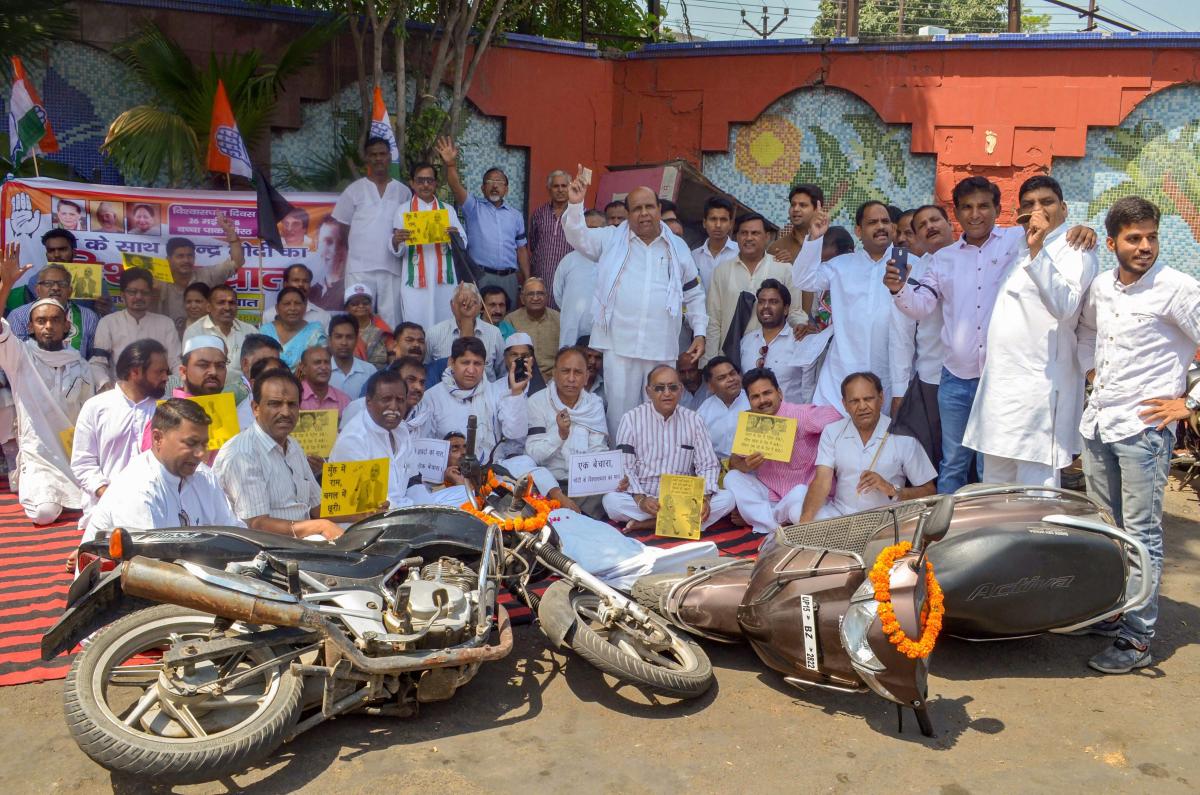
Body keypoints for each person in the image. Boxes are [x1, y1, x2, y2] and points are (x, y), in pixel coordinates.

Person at [887, 176, 1095, 492]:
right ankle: (953, 530)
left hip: (1001, 380)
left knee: (992, 465)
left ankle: (994, 528)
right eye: (967, 208)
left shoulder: (1018, 241)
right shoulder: (944, 259)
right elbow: (921, 305)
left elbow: (1051, 231)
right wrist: (899, 288)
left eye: (984, 206)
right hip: (957, 378)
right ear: (956, 213)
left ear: (999, 210)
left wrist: (1081, 230)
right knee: (953, 462)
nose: (975, 214)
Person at [1073, 196, 1200, 674]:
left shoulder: (1178, 289)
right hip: (1101, 422)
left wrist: (1188, 404)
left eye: (1151, 237)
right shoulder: (1103, 287)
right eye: (1134, 238)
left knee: (1141, 533)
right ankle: (1110, 614)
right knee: (1106, 527)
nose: (1145, 246)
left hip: (1144, 430)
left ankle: (1138, 636)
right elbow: (1086, 332)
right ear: (1113, 243)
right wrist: (1089, 371)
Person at [965, 175, 1098, 487]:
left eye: (1046, 202)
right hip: (1001, 391)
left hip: (1039, 392)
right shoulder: (1020, 245)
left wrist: (1041, 248)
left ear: (1064, 209)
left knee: (1035, 492)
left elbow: (1065, 307)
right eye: (1029, 205)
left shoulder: (1076, 249)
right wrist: (1035, 245)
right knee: (994, 488)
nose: (1037, 209)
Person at [562, 174, 708, 437]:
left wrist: (700, 332)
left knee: (659, 412)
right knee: (621, 414)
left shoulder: (678, 247)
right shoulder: (609, 239)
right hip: (620, 346)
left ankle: (654, 468)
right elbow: (577, 236)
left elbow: (693, 291)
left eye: (649, 207)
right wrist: (575, 205)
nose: (644, 214)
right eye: (637, 208)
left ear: (659, 210)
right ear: (627, 214)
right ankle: (621, 471)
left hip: (661, 345)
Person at [0, 246, 99, 523]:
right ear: (30, 327)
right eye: (41, 321)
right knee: (45, 513)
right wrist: (6, 285)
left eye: (55, 320)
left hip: (72, 456)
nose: (48, 326)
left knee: (94, 505)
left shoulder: (80, 363)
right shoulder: (20, 356)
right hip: (39, 455)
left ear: (66, 326)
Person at [85, 399, 243, 543]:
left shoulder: (204, 476)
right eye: (191, 443)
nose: (201, 453)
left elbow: (234, 532)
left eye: (204, 444)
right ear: (157, 438)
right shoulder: (137, 489)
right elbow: (148, 564)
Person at [213, 368, 345, 540]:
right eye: (275, 404)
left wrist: (364, 515)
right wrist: (320, 526)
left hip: (302, 546)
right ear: (255, 408)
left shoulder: (293, 446)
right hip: (264, 553)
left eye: (292, 404)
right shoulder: (243, 453)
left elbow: (317, 507)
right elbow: (257, 524)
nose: (285, 412)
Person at [791, 199, 897, 411]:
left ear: (893, 228)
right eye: (872, 222)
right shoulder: (841, 265)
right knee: (832, 435)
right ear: (859, 230)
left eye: (885, 221)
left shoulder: (911, 264)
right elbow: (803, 280)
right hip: (842, 370)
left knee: (881, 439)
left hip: (890, 373)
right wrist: (814, 238)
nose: (880, 226)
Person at [603, 365, 734, 531]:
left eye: (672, 387)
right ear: (648, 391)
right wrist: (640, 499)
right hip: (645, 495)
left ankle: (648, 524)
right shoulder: (631, 419)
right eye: (659, 388)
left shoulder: (694, 420)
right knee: (611, 502)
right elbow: (625, 465)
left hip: (683, 497)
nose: (666, 393)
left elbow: (707, 464)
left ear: (681, 390)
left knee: (728, 499)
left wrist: (705, 499)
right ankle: (680, 521)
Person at [798, 372, 936, 522]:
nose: (862, 406)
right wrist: (804, 522)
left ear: (881, 398)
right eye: (854, 401)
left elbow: (929, 491)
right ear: (845, 405)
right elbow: (821, 482)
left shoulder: (903, 437)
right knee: (798, 503)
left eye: (868, 399)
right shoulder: (832, 432)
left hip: (886, 522)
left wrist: (890, 489)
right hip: (841, 518)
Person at [724, 368, 843, 534]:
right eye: (755, 397)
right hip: (772, 496)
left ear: (779, 393)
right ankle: (777, 527)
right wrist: (745, 465)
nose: (762, 400)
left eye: (767, 393)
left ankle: (764, 521)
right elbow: (733, 463)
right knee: (732, 478)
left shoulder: (802, 415)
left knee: (800, 492)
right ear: (749, 401)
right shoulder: (751, 422)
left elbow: (839, 416)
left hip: (802, 497)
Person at [72, 339, 171, 529]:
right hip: (105, 506)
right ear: (135, 372)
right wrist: (107, 493)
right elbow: (82, 463)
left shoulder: (166, 409)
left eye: (167, 371)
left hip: (157, 505)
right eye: (160, 372)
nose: (166, 377)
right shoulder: (96, 407)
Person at [888, 204, 953, 470]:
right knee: (938, 455)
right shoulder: (913, 274)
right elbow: (902, 338)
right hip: (933, 379)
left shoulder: (977, 260)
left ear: (951, 222)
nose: (930, 228)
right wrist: (899, 391)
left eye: (935, 220)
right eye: (921, 227)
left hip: (979, 377)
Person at [436, 136, 529, 306]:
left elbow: (521, 250)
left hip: (509, 278)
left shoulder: (515, 215)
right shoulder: (473, 207)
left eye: (499, 182)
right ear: (482, 188)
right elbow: (456, 187)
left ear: (506, 189)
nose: (495, 186)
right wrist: (450, 165)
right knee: (478, 318)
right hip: (480, 276)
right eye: (490, 182)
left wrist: (528, 279)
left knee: (507, 321)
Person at [330, 137, 414, 326]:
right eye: (373, 155)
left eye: (382, 154)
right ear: (366, 158)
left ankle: (391, 356)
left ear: (390, 157)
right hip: (359, 267)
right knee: (356, 319)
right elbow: (343, 228)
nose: (378, 159)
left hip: (392, 266)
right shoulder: (354, 190)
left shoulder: (403, 192)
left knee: (391, 321)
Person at [704, 213, 804, 364]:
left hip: (774, 356)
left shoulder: (784, 269)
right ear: (736, 237)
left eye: (755, 233)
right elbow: (713, 320)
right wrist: (710, 362)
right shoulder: (721, 271)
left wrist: (801, 327)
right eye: (744, 233)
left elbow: (794, 312)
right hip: (730, 360)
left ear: (767, 237)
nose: (749, 238)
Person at [525, 346, 609, 514]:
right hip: (550, 483)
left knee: (609, 496)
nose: (571, 378)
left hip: (585, 486)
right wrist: (560, 435)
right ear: (555, 374)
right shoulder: (537, 401)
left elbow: (598, 451)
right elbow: (533, 454)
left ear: (586, 377)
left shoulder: (594, 404)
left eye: (577, 373)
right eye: (565, 371)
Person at [330, 369, 426, 510]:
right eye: (386, 399)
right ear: (369, 401)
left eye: (400, 400)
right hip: (367, 521)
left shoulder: (402, 430)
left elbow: (413, 479)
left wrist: (429, 510)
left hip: (404, 509)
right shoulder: (353, 439)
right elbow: (369, 502)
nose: (394, 407)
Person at [390, 162, 467, 329]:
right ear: (411, 183)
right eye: (420, 180)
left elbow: (463, 242)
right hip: (415, 282)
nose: (425, 185)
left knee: (445, 322)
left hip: (444, 279)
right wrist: (396, 241)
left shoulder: (447, 211)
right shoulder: (403, 211)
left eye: (429, 180)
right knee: (416, 323)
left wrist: (455, 234)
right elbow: (397, 248)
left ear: (436, 183)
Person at [739, 279, 827, 403]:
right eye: (761, 302)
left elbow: (809, 392)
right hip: (753, 420)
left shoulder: (800, 340)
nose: (765, 307)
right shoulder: (746, 341)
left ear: (786, 309)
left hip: (791, 419)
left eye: (773, 302)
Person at [149, 214, 244, 327]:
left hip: (203, 337)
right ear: (168, 260)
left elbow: (237, 262)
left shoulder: (207, 275)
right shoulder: (158, 281)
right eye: (180, 256)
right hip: (167, 338)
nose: (186, 260)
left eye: (190, 256)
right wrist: (154, 291)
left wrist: (232, 236)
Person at [9, 252, 99, 363]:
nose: (56, 288)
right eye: (48, 283)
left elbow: (92, 361)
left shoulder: (89, 317)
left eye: (62, 284)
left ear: (70, 291)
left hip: (75, 377)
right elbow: (12, 357)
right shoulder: (19, 316)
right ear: (37, 290)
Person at [92, 267, 178, 382]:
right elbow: (98, 362)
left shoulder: (166, 323)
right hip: (119, 391)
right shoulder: (108, 322)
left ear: (151, 295)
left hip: (158, 392)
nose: (138, 297)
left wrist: (176, 386)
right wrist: (104, 384)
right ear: (122, 294)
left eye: (144, 292)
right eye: (132, 292)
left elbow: (176, 362)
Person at [184, 283, 257, 390]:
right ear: (208, 307)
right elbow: (189, 369)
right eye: (221, 303)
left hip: (245, 393)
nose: (227, 307)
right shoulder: (194, 331)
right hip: (206, 392)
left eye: (231, 303)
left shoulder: (250, 331)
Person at [428, 282, 506, 379]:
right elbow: (426, 371)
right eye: (462, 303)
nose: (466, 308)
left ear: (480, 306)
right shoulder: (434, 333)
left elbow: (503, 373)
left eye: (472, 303)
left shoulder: (494, 333)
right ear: (452, 305)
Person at [553, 209, 604, 349]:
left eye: (596, 229)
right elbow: (558, 294)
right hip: (572, 327)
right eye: (587, 228)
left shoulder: (613, 260)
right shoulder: (569, 260)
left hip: (603, 330)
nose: (591, 233)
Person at [528, 170, 574, 299]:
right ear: (549, 189)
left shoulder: (580, 214)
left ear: (570, 188)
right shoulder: (539, 213)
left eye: (564, 186)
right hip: (543, 276)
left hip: (570, 277)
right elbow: (534, 243)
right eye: (556, 186)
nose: (560, 190)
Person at [695, 356, 749, 460]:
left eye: (733, 373)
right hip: (715, 468)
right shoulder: (703, 411)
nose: (731, 379)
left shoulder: (753, 401)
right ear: (711, 386)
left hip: (751, 468)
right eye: (722, 378)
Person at [258, 286, 327, 368]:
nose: (292, 308)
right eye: (287, 304)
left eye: (297, 303)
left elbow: (322, 364)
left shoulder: (315, 332)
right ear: (277, 308)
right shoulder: (265, 331)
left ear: (305, 307)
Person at [506, 277, 560, 381]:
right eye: (531, 294)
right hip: (521, 377)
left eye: (540, 294)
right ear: (522, 298)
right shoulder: (511, 320)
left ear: (547, 297)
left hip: (554, 379)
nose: (535, 298)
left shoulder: (559, 320)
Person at [767, 183, 824, 266]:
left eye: (803, 205)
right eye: (793, 205)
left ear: (817, 209)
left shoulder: (830, 243)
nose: (796, 209)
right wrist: (782, 268)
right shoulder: (778, 247)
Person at [262, 264, 332, 328]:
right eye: (296, 280)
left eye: (305, 281)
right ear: (285, 284)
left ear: (310, 285)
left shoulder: (323, 317)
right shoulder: (269, 315)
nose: (301, 284)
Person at [692, 195, 738, 291]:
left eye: (723, 220)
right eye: (713, 219)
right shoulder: (694, 256)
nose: (718, 225)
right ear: (704, 223)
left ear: (731, 224)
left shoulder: (740, 253)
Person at [343, 282, 393, 369]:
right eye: (355, 304)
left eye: (365, 303)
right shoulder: (341, 330)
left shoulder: (382, 329)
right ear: (347, 308)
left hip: (380, 378)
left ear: (371, 306)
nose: (361, 306)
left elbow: (393, 360)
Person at [328, 313, 374, 398]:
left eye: (349, 337)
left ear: (356, 340)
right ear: (329, 340)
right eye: (338, 337)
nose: (344, 343)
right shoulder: (321, 371)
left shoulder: (369, 371)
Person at [308, 216, 349, 311]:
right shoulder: (312, 291)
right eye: (320, 243)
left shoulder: (351, 289)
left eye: (329, 242)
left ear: (344, 248)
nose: (323, 251)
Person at [297, 345, 351, 415]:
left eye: (327, 362)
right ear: (303, 368)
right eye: (317, 362)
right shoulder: (293, 396)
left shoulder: (344, 400)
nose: (323, 367)